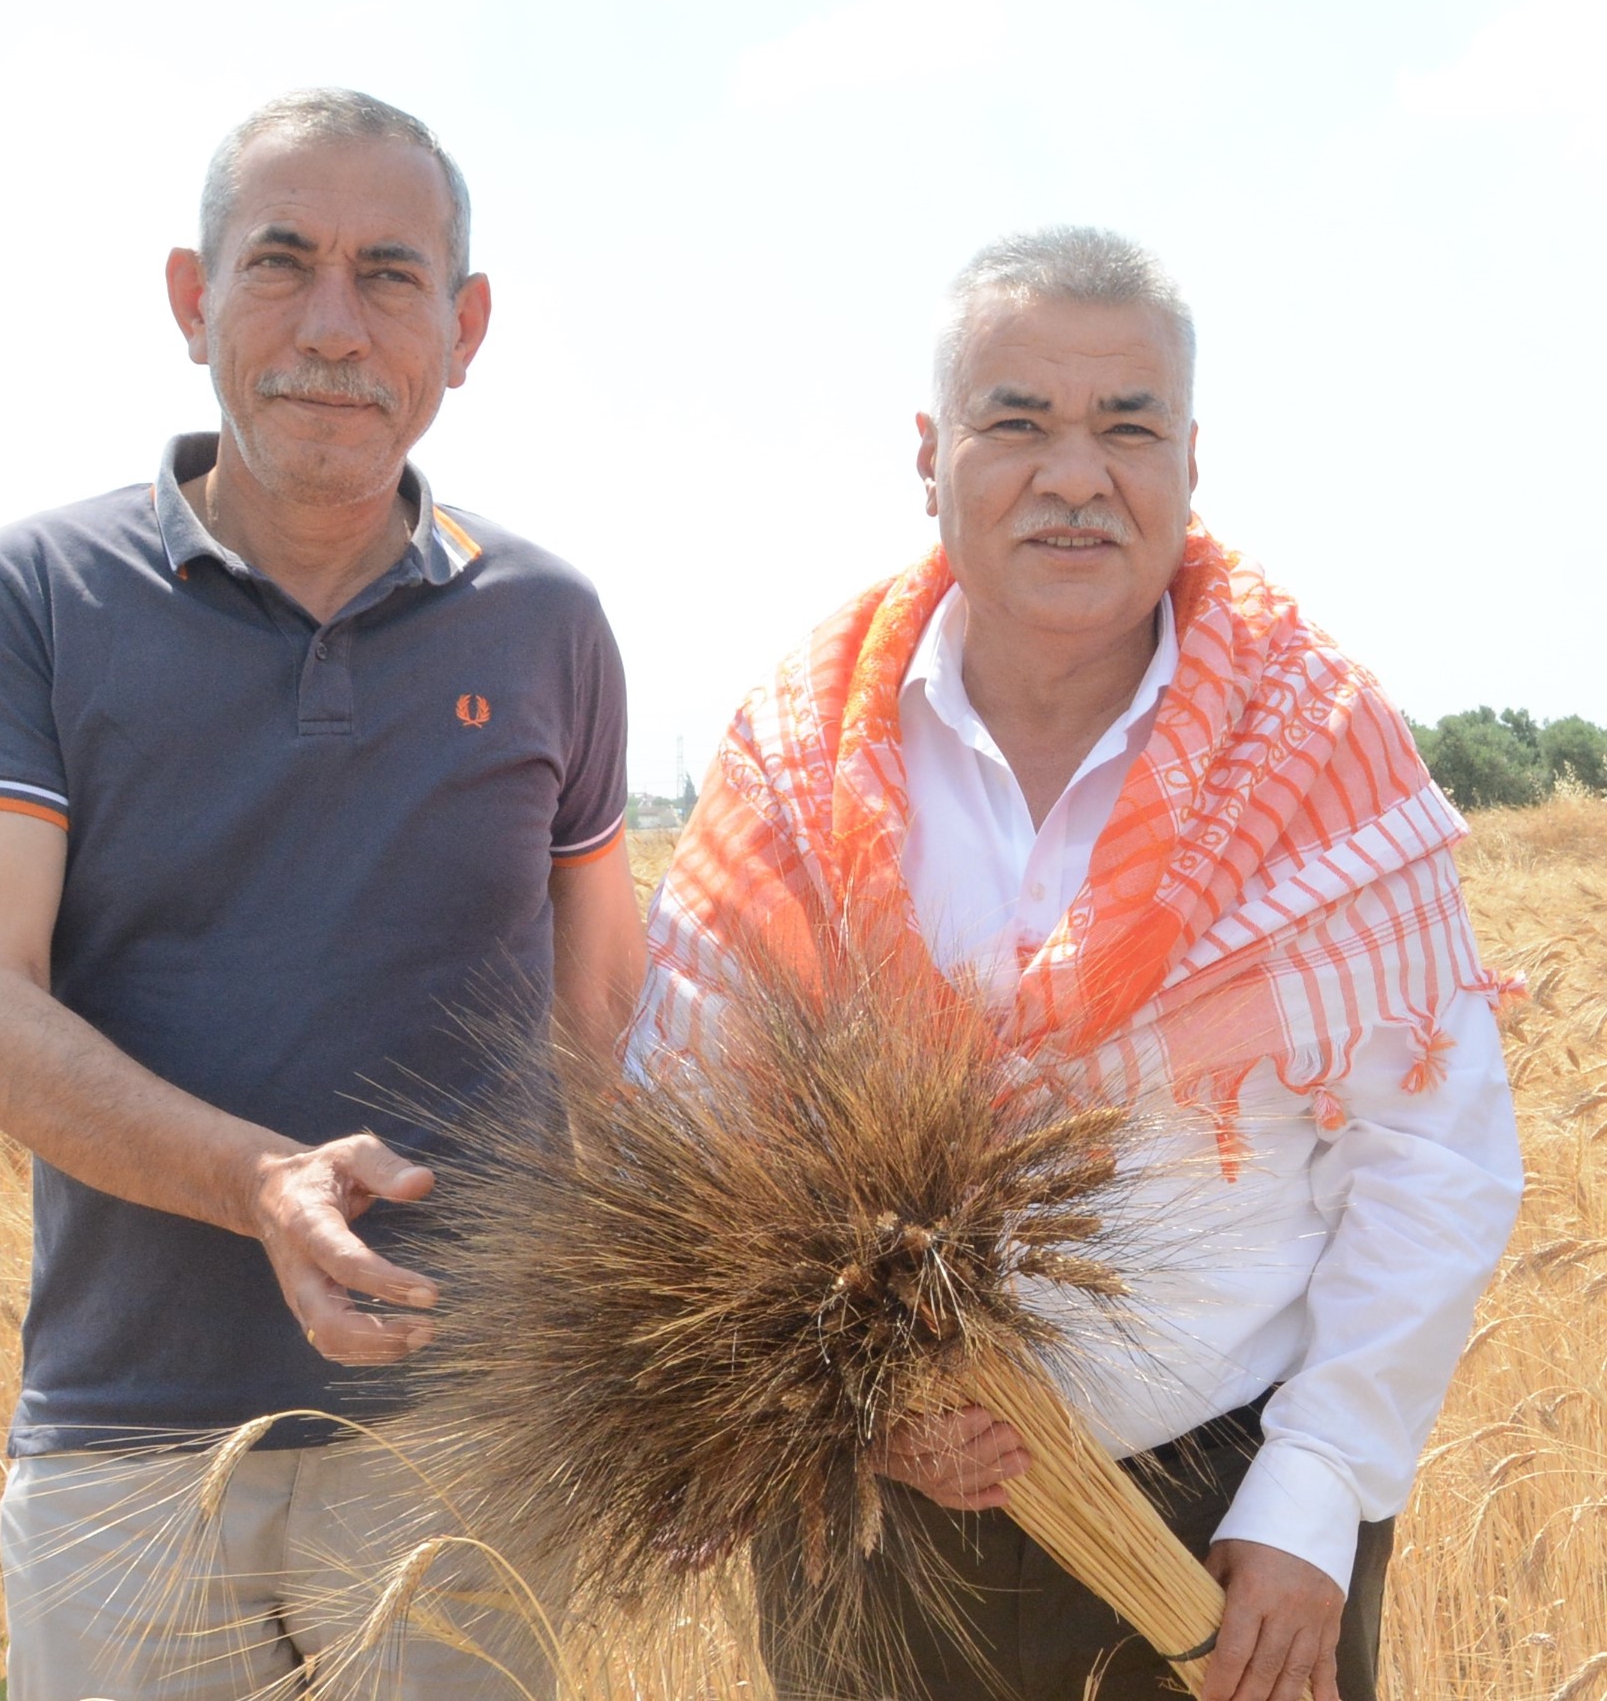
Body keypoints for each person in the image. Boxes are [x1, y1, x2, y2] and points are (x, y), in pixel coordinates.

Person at [628, 227, 1521, 1701]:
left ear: (1191, 458)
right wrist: (866, 1408)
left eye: (1128, 427)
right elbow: (688, 1141)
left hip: (1231, 1523)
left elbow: (1434, 1158)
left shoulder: (1317, 751)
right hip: (877, 1528)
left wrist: (1314, 1494)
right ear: (931, 454)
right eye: (1020, 421)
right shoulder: (795, 757)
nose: (1076, 475)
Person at [0, 88, 644, 1701]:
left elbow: (604, 1025)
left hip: (466, 1445)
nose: (333, 325)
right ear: (192, 300)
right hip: (127, 1453)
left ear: (464, 330)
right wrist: (262, 1182)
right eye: (280, 261)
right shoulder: (35, 597)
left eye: (389, 275)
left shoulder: (550, 625)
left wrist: (644, 1362)